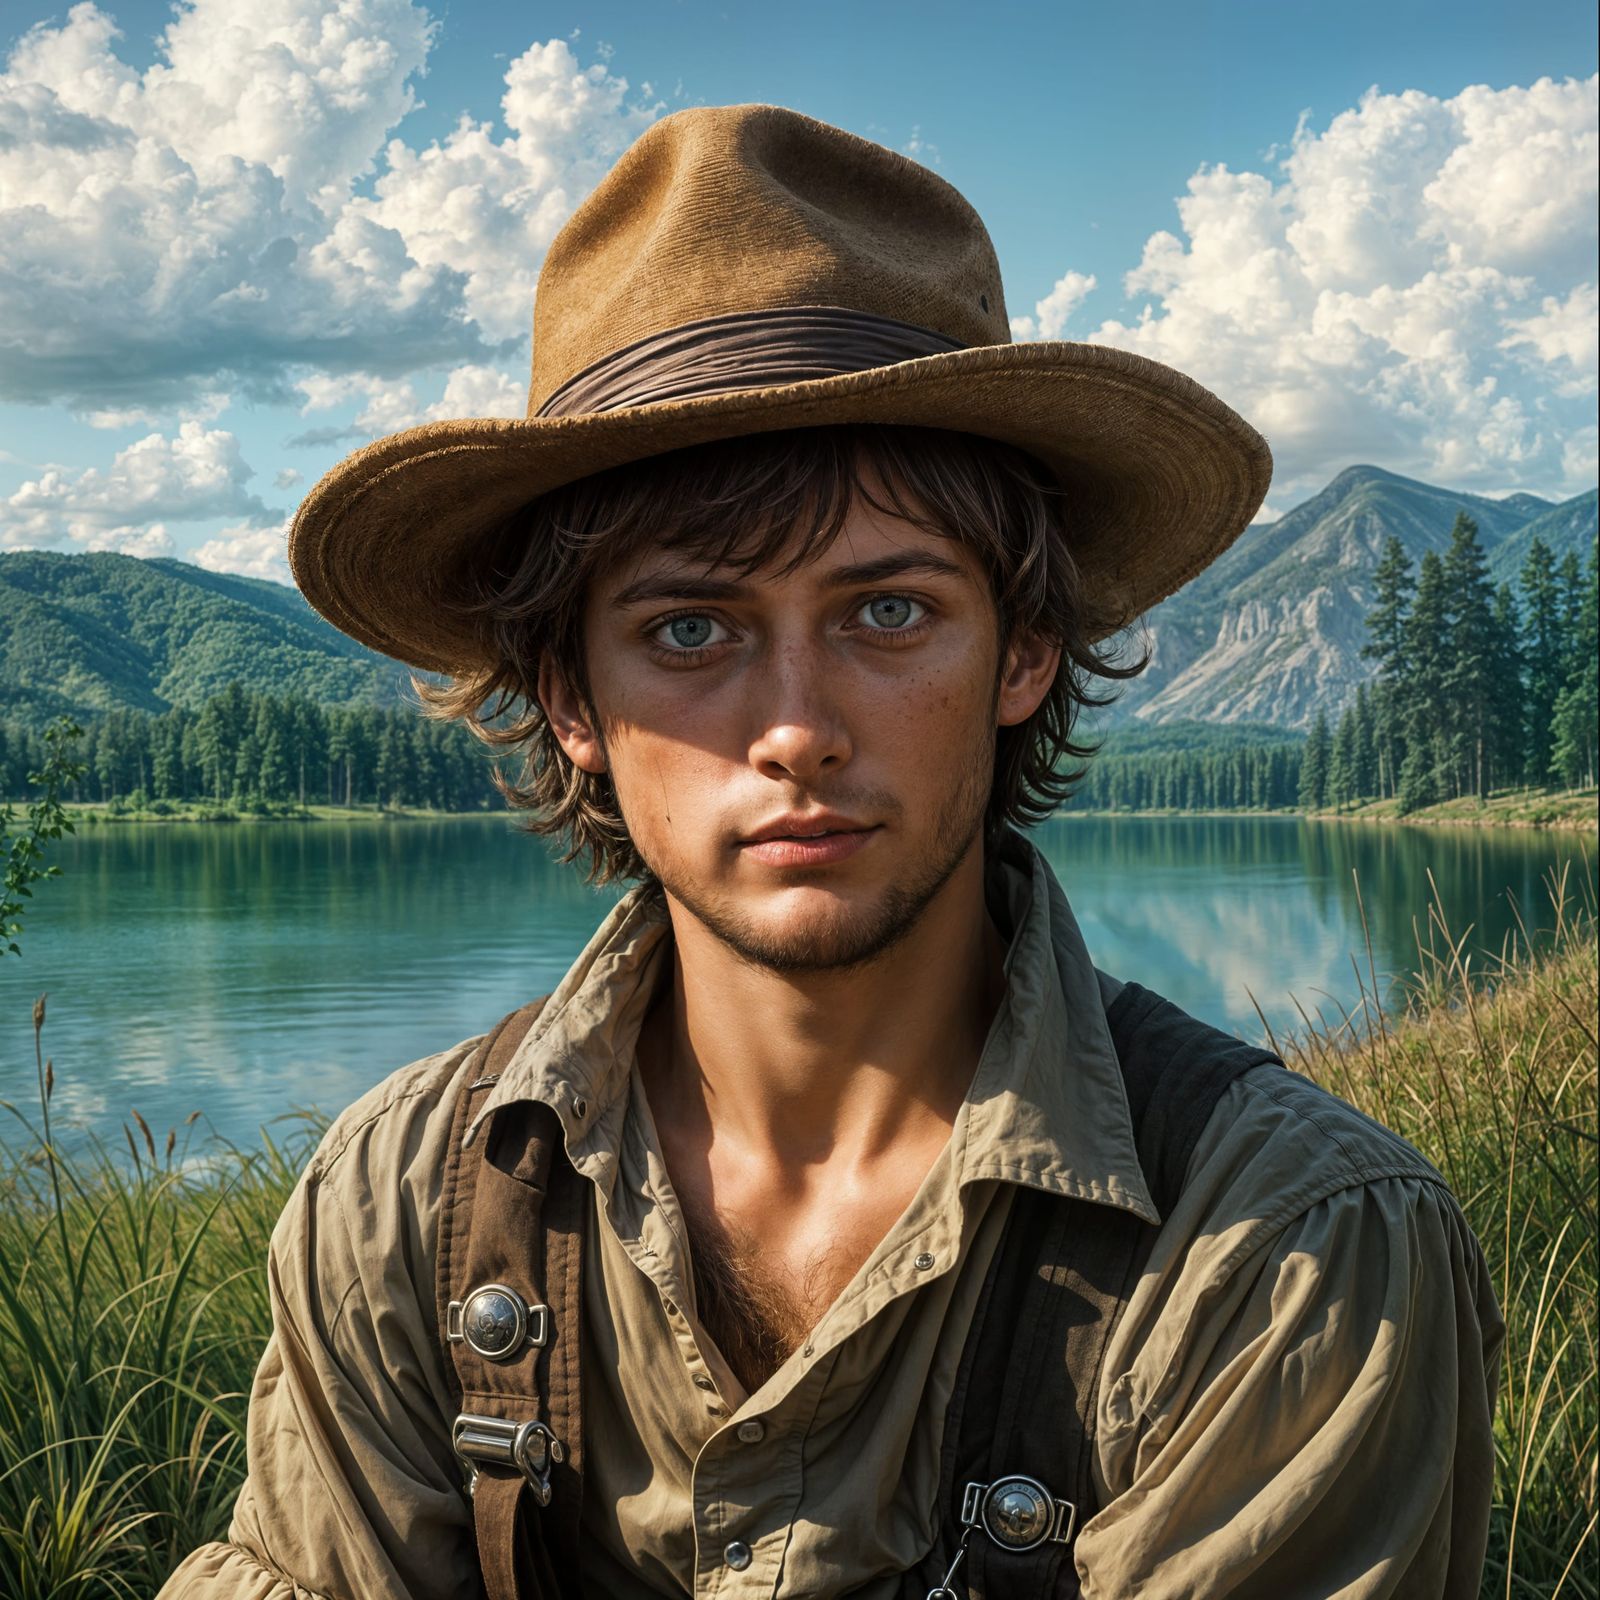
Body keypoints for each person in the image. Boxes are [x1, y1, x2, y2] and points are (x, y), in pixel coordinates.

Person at [159, 104, 1503, 1600]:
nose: (795, 729)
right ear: (569, 699)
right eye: (690, 630)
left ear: (1025, 653)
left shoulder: (1293, 1255)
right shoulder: (400, 1206)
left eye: (887, 612)